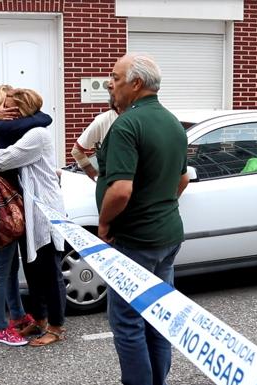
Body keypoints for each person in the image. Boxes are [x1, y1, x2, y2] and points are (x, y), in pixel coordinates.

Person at [95, 53, 189, 385]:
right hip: (167, 236)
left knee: (127, 321)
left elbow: (120, 190)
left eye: (115, 78)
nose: (110, 83)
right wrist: (158, 204)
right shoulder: (173, 122)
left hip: (134, 241)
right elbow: (183, 179)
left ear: (136, 84)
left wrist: (104, 224)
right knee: (157, 316)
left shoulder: (127, 124)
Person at [0, 88, 67, 347]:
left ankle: (56, 326)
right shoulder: (26, 132)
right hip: (29, 213)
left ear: (19, 108)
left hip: (44, 213)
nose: (4, 110)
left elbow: (4, 160)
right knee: (32, 270)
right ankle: (40, 320)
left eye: (8, 105)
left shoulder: (37, 134)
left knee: (49, 272)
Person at [71, 96, 118, 180]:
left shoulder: (139, 118)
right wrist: (94, 175)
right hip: (111, 183)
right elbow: (77, 151)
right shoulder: (103, 120)